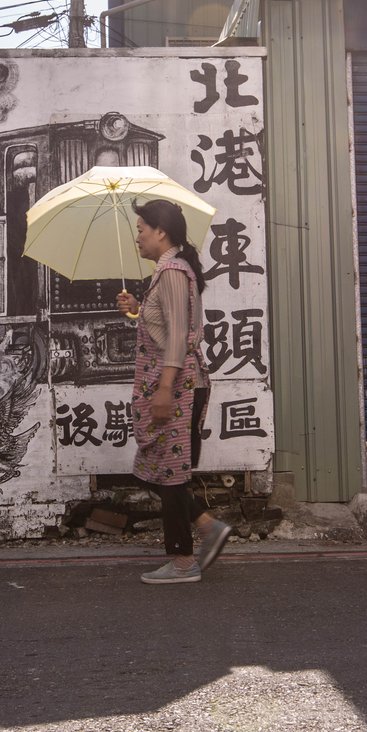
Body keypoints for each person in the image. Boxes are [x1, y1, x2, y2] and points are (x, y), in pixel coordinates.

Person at [115, 199, 232, 584]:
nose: (138, 237)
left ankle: (183, 561)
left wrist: (164, 389)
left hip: (177, 387)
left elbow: (179, 337)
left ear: (160, 232)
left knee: (166, 476)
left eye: (141, 229)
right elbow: (165, 326)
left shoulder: (172, 273)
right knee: (154, 471)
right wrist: (137, 308)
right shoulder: (166, 274)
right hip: (174, 385)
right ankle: (206, 526)